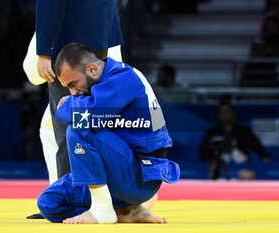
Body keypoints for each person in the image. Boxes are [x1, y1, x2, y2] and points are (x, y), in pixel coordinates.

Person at [36, 43, 180, 224]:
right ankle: (125, 211)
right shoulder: (104, 83)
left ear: (92, 69)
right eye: (68, 89)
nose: (73, 93)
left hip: (140, 175)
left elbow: (89, 114)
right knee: (49, 203)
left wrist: (67, 105)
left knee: (79, 128)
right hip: (116, 171)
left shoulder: (124, 78)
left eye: (73, 84)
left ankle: (102, 210)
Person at [23, 0, 124, 184]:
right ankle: (92, 196)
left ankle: (70, 199)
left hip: (69, 46)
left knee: (67, 127)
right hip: (100, 39)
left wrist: (44, 52)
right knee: (79, 125)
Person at [199, 102, 271, 180]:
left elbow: (260, 150)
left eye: (228, 112)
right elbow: (203, 155)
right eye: (223, 112)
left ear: (233, 113)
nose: (226, 115)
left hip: (242, 170)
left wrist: (265, 158)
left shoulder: (244, 131)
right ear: (218, 115)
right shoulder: (212, 132)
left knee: (247, 176)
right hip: (219, 170)